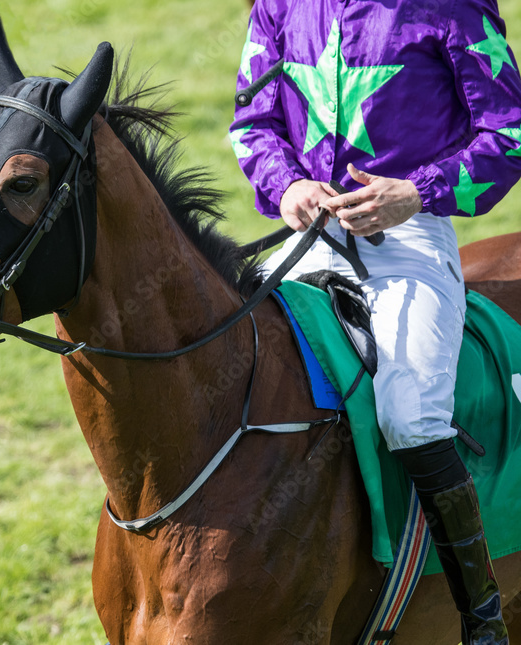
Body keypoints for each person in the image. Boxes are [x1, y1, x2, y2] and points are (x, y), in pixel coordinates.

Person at [230, 1, 521, 643]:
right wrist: (286, 188)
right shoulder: (278, 7)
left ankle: (483, 617)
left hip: (412, 236)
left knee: (410, 414)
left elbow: (511, 133)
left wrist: (416, 192)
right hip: (309, 238)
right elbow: (252, 122)